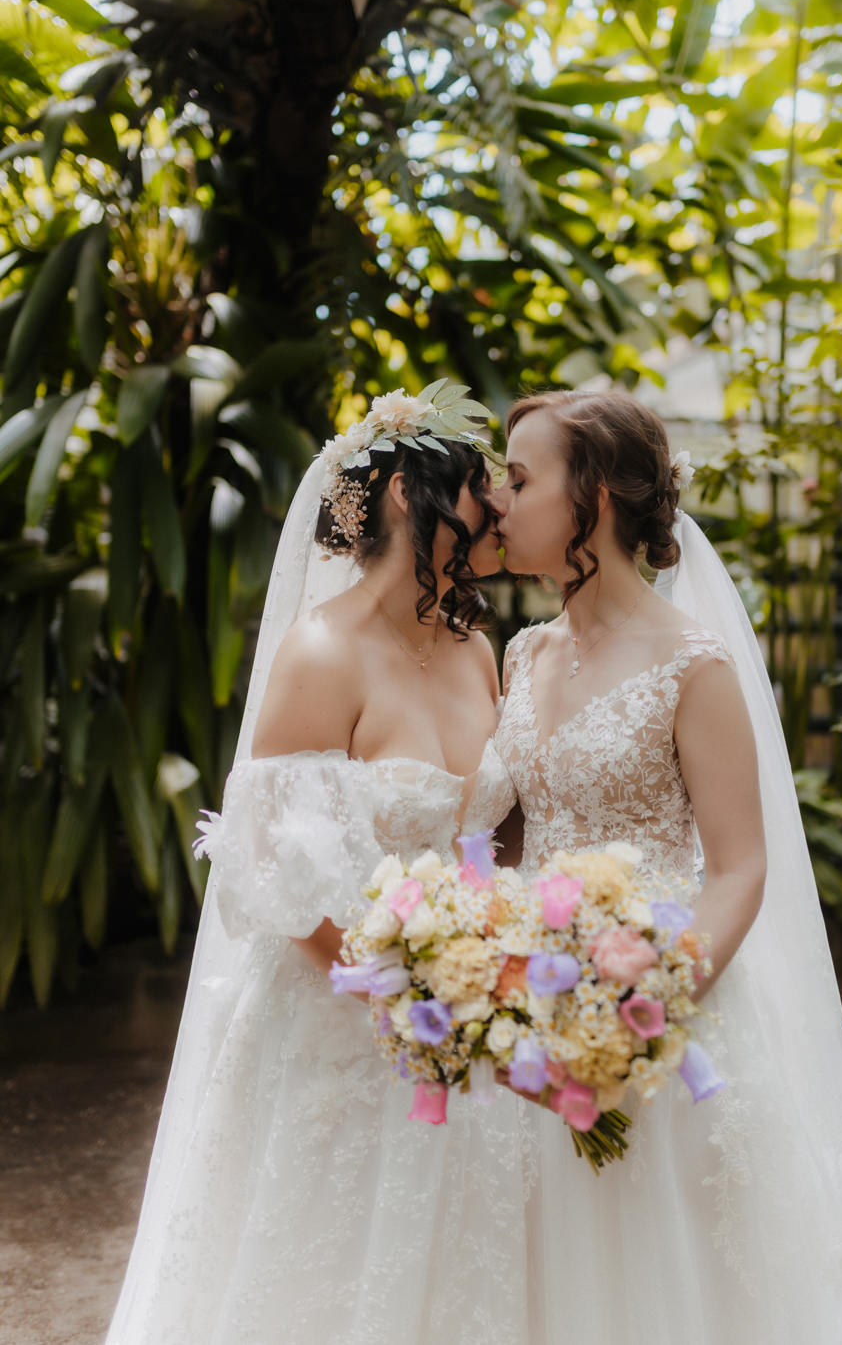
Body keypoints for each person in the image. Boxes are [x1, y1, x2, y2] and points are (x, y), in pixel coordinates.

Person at [104, 387, 532, 1345]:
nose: (500, 510)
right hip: (345, 1017)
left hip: (473, 1005)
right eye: (479, 491)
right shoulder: (321, 653)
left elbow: (494, 829)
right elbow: (275, 872)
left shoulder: (477, 649)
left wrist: (490, 970)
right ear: (401, 501)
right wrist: (411, 993)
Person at [490, 389, 842, 1344]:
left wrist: (649, 1003)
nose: (497, 503)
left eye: (517, 479)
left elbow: (740, 869)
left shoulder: (692, 665)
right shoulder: (519, 654)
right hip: (532, 1005)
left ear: (590, 497)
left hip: (667, 1018)